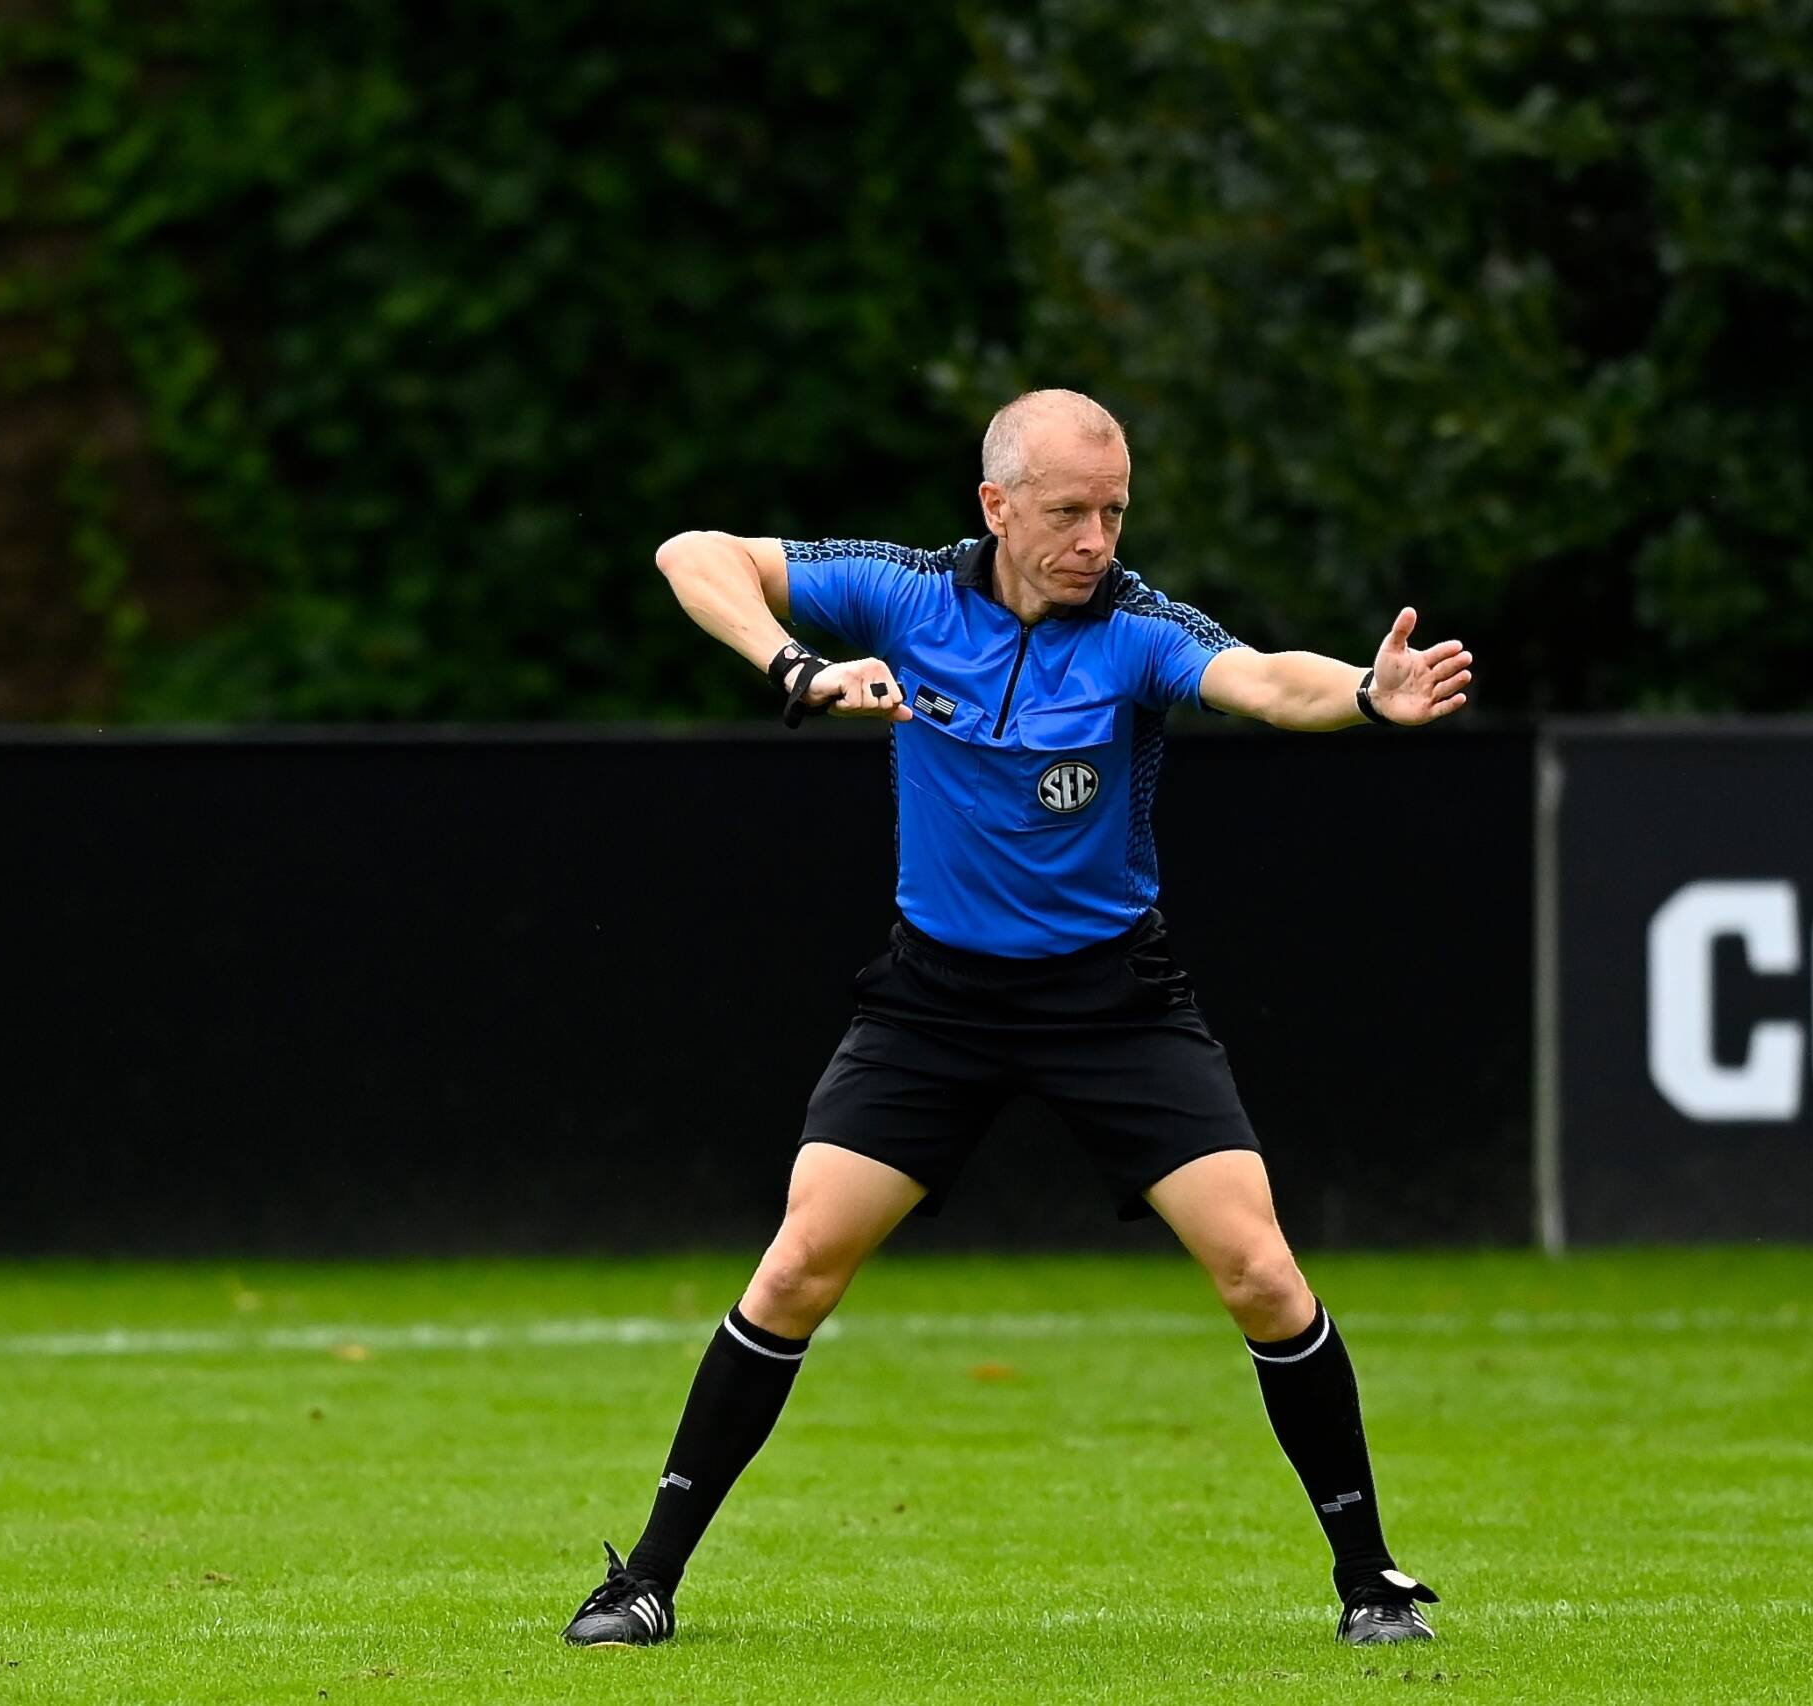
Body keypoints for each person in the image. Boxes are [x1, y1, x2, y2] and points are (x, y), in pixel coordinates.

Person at [563, 389, 1474, 1651]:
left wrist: (1366, 698)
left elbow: (1264, 680)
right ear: (994, 505)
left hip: (1114, 1002)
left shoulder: (1137, 631)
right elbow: (691, 557)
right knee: (795, 1266)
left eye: (1113, 511)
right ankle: (644, 1580)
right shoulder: (902, 596)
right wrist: (801, 667)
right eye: (1067, 512)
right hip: (933, 1001)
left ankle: (1371, 1582)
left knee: (1261, 1270)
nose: (1096, 538)